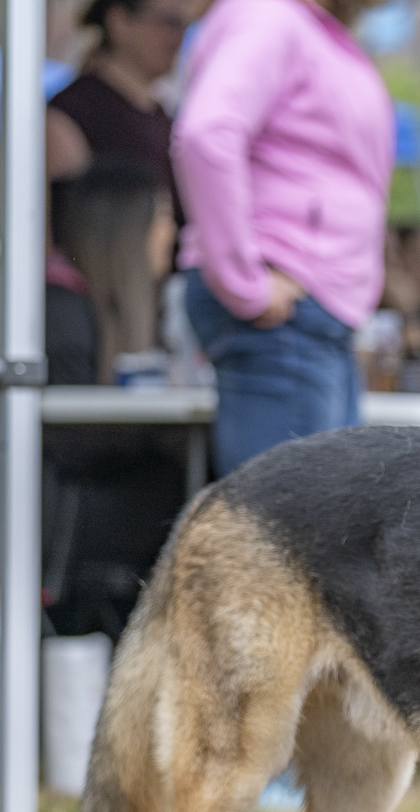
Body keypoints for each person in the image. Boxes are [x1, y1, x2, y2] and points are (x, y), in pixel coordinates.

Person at [172, 0, 394, 477]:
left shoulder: (314, 30)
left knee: (317, 534)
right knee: (280, 540)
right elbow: (207, 134)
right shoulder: (268, 16)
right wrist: (243, 283)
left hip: (314, 315)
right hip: (281, 312)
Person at [47, 0, 187, 381]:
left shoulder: (166, 118)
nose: (178, 38)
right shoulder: (70, 113)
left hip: (146, 313)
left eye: (183, 26)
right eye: (167, 24)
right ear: (119, 22)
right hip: (91, 328)